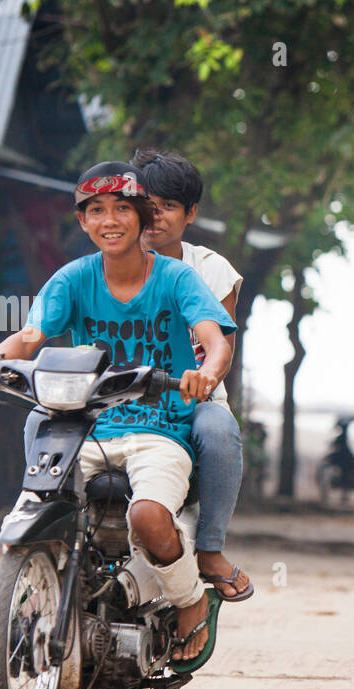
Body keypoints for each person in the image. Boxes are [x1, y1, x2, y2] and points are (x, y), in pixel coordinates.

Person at [0, 160, 237, 664]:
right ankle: (41, 590)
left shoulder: (177, 278)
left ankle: (190, 597)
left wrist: (208, 374)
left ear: (141, 216)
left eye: (121, 209)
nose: (110, 220)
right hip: (85, 427)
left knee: (150, 516)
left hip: (159, 429)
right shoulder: (72, 278)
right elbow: (30, 337)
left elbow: (215, 340)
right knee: (37, 498)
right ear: (84, 222)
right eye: (96, 211)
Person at [130, 147, 253, 602]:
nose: (156, 216)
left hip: (190, 400)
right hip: (120, 401)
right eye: (147, 204)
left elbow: (221, 348)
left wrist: (205, 378)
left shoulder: (209, 270)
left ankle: (210, 549)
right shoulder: (107, 263)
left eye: (169, 206)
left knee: (219, 428)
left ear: (190, 213)